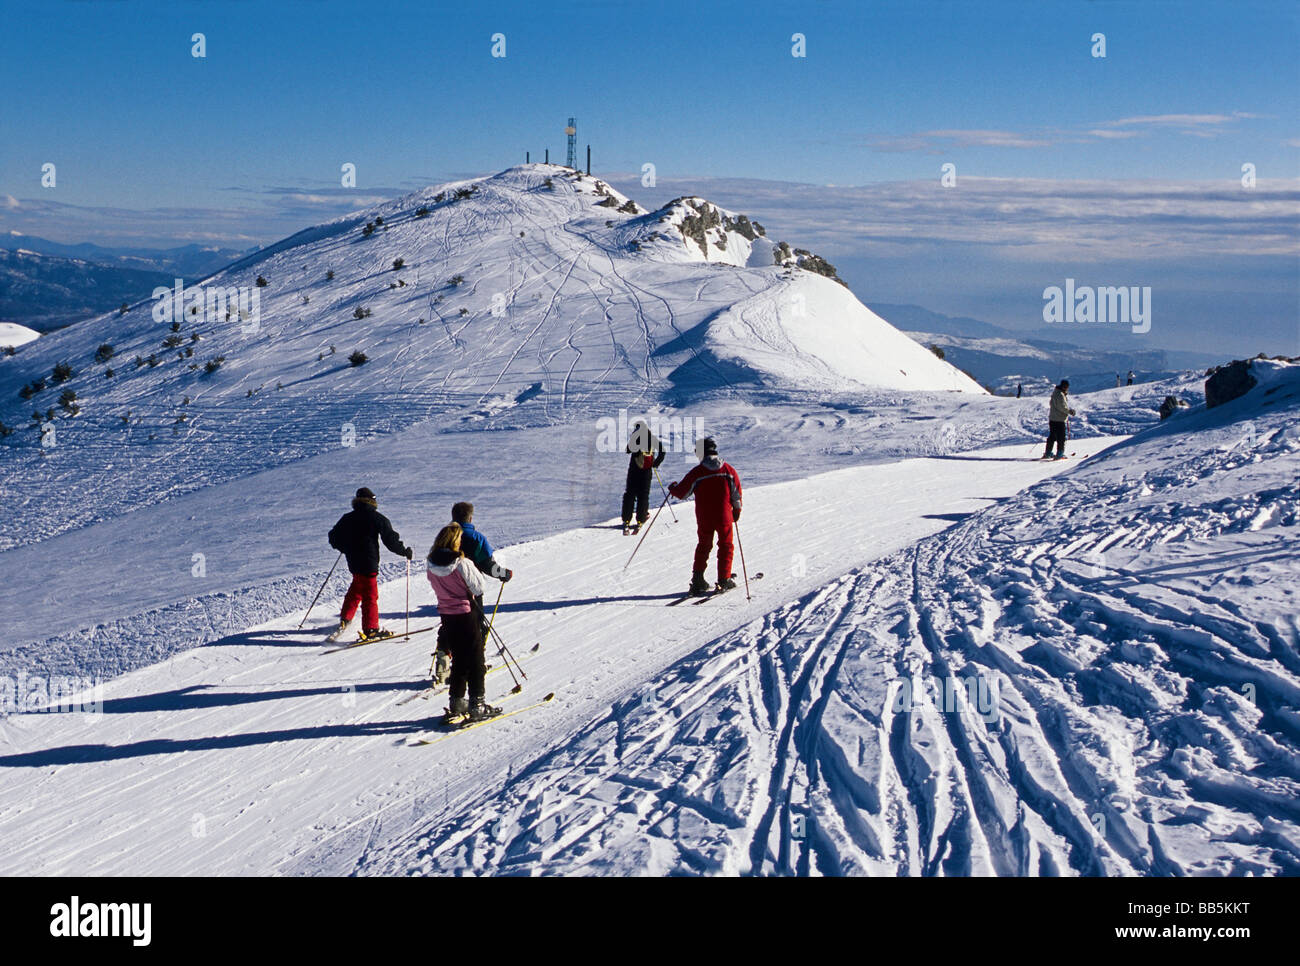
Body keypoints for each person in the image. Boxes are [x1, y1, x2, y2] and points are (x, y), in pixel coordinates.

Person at [431, 502, 512, 684]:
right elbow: (487, 565)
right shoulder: (476, 537)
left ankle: (443, 661)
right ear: (470, 518)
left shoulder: (444, 537)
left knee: (449, 626)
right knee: (476, 628)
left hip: (446, 590)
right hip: (471, 591)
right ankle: (474, 663)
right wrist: (504, 574)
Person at [425, 524, 498, 724]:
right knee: (475, 658)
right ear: (454, 541)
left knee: (459, 657)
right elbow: (478, 587)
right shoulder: (461, 563)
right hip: (466, 614)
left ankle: (456, 701)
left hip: (447, 616)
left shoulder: (431, 563)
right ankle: (477, 703)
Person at [327, 487, 413, 641]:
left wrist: (345, 548)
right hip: (369, 561)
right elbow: (390, 540)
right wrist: (404, 552)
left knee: (357, 588)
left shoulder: (348, 517)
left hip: (353, 561)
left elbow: (333, 537)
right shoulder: (377, 518)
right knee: (370, 595)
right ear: (372, 500)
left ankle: (345, 617)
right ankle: (371, 629)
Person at [668, 437, 743, 596]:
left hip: (704, 517)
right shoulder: (728, 470)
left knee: (703, 546)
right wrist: (736, 512)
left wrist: (673, 488)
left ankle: (698, 580)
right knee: (726, 546)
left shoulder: (697, 472)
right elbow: (736, 495)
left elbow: (682, 493)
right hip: (724, 516)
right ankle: (724, 579)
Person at [622, 420, 666, 535]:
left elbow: (627, 450)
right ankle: (641, 518)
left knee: (630, 494)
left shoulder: (635, 438)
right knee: (643, 495)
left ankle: (626, 518)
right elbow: (662, 452)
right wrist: (655, 463)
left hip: (633, 470)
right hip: (646, 472)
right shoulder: (652, 438)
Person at [1042, 380, 1076, 460]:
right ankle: (1060, 454)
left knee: (1052, 436)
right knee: (1061, 437)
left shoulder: (1055, 393)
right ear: (1065, 387)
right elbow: (1062, 407)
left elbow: (1052, 404)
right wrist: (1069, 411)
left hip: (1052, 419)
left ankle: (1048, 453)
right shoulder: (1060, 395)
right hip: (1059, 420)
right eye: (1067, 387)